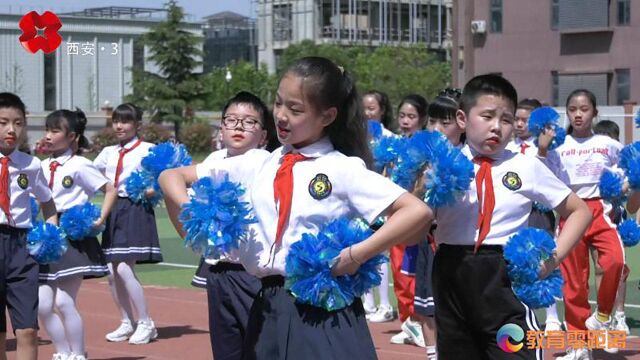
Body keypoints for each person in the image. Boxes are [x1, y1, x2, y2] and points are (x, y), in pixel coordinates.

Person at [159, 57, 433, 359]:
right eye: (278, 103)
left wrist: (356, 255)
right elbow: (170, 177)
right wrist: (196, 216)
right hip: (267, 306)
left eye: (295, 109)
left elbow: (416, 212)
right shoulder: (259, 162)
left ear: (327, 116)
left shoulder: (341, 169)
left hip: (322, 311)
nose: (281, 116)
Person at [432, 75, 592, 359]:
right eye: (487, 116)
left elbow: (580, 211)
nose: (497, 127)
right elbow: (418, 220)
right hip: (451, 276)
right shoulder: (442, 165)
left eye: (506, 119)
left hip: (504, 280)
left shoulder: (526, 166)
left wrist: (551, 260)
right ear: (462, 118)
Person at [190, 91, 277, 360]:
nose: (239, 126)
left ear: (263, 136)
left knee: (260, 349)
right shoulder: (213, 160)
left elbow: (172, 180)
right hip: (218, 272)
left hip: (250, 274)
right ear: (221, 128)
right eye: (232, 120)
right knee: (227, 350)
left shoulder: (262, 160)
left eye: (249, 122)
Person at [538, 89, 623, 358]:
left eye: (584, 109)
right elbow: (542, 174)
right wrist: (542, 148)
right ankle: (579, 345)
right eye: (572, 109)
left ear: (595, 113)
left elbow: (629, 167)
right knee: (574, 283)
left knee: (615, 262)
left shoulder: (608, 144)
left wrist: (623, 184)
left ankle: (604, 315)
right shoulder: (558, 148)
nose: (577, 114)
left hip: (600, 209)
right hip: (571, 210)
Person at [38, 109, 117, 360]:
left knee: (63, 302)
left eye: (55, 130)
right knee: (42, 305)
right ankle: (62, 352)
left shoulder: (81, 165)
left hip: (72, 237)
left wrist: (100, 218)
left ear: (72, 136)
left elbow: (110, 189)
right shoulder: (40, 165)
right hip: (46, 235)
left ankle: (78, 354)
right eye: (47, 130)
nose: (48, 136)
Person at [93, 103, 162, 345]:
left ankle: (146, 322)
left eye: (125, 121)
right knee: (111, 272)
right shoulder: (108, 152)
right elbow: (90, 174)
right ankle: (126, 321)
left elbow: (168, 174)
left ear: (137, 124)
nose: (119, 126)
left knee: (123, 268)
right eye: (116, 121)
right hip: (113, 209)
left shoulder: (148, 149)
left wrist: (152, 190)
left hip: (135, 207)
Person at [0, 92, 58, 360]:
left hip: (22, 249)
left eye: (18, 122)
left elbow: (47, 202)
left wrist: (51, 233)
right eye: (3, 122)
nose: (11, 129)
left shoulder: (31, 165)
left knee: (27, 330)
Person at [505, 98, 565, 334]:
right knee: (516, 259)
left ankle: (551, 316)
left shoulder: (549, 148)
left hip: (539, 211)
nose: (520, 124)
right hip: (515, 210)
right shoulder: (507, 147)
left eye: (525, 120)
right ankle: (519, 311)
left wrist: (542, 149)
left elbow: (552, 179)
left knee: (543, 257)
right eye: (516, 119)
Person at [414, 90, 465, 360]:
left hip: (462, 246)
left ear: (462, 123)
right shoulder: (418, 160)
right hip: (429, 242)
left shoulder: (470, 158)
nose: (436, 129)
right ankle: (433, 355)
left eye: (445, 123)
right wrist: (420, 186)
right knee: (426, 306)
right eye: (432, 121)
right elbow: (408, 206)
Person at [387, 94, 429, 347]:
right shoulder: (392, 145)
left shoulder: (426, 147)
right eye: (402, 116)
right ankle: (407, 320)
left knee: (415, 270)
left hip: (419, 216)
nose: (405, 121)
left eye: (411, 116)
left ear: (422, 119)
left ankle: (420, 320)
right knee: (398, 269)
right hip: (395, 214)